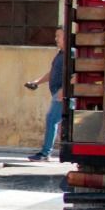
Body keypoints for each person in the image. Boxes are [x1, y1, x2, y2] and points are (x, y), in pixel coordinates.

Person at [24, 27, 68, 162]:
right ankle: (59, 152)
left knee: (52, 119)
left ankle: (45, 153)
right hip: (57, 93)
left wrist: (64, 90)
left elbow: (75, 75)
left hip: (62, 94)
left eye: (58, 36)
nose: (56, 39)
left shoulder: (71, 55)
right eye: (56, 36)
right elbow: (52, 73)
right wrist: (37, 82)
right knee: (59, 123)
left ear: (67, 37)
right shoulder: (60, 54)